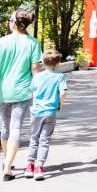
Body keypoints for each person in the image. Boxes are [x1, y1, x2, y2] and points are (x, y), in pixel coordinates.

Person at [0, 9, 43, 181]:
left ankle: (6, 161)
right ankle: (8, 167)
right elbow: (35, 70)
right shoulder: (33, 43)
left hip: (3, 92)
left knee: (5, 128)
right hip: (23, 91)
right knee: (15, 128)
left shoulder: (1, 42)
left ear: (13, 23)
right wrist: (37, 93)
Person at [24, 50, 68, 181]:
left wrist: (34, 103)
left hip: (36, 112)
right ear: (58, 63)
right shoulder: (60, 77)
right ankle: (39, 167)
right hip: (50, 112)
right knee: (44, 140)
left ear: (43, 62)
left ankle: (29, 166)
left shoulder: (37, 76)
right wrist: (61, 104)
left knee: (34, 139)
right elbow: (63, 93)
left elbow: (31, 92)